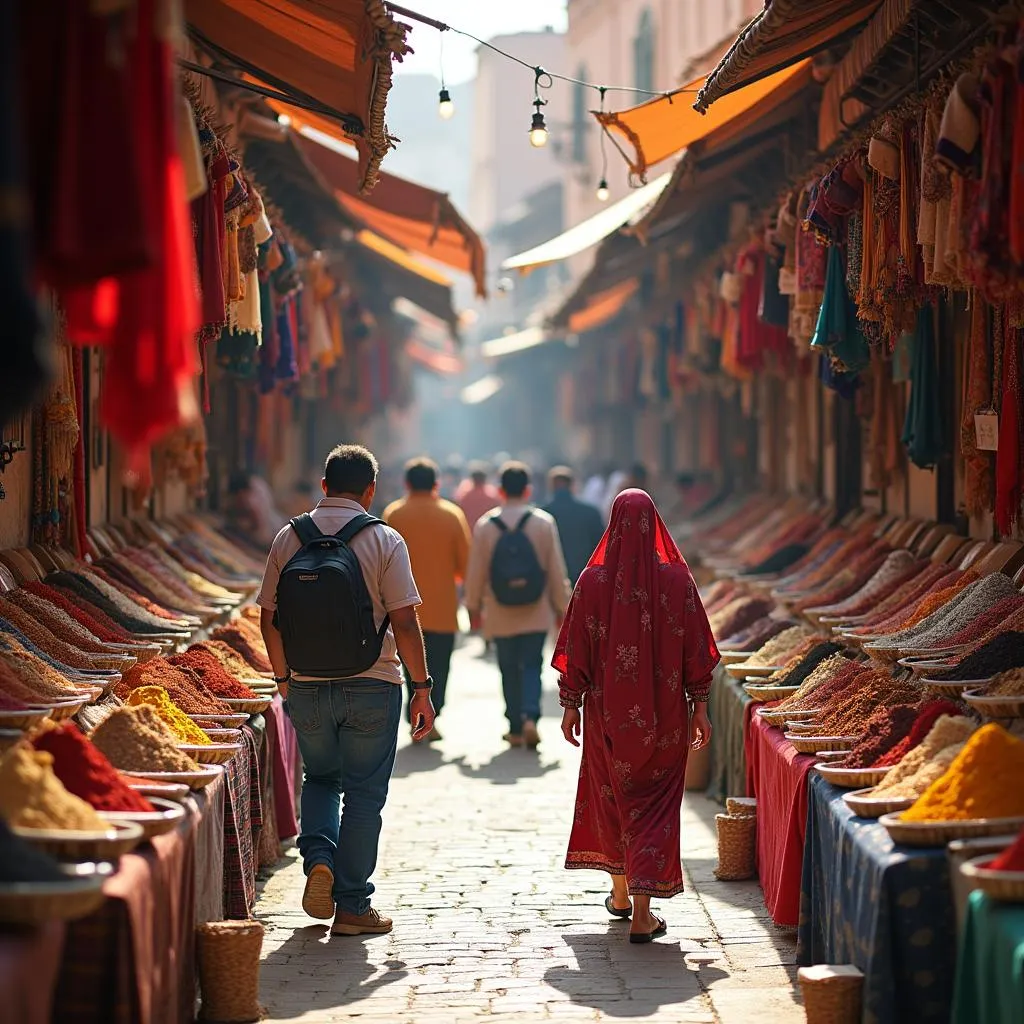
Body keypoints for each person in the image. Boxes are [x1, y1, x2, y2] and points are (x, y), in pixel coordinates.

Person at [258, 444, 435, 937]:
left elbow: (267, 619)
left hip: (307, 687)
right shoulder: (385, 540)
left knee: (318, 779)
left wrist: (283, 680)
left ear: (323, 486)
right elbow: (403, 620)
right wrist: (421, 688)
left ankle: (319, 859)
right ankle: (353, 906)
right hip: (373, 685)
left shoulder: (287, 538)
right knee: (362, 796)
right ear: (371, 490)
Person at [553, 489, 719, 944]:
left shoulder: (592, 582)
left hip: (608, 717)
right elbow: (698, 653)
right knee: (656, 804)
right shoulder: (678, 581)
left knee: (613, 796)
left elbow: (576, 652)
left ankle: (621, 895)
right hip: (665, 718)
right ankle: (643, 913)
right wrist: (700, 708)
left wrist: (570, 705)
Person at [465, 461, 571, 749]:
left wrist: (473, 606)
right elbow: (555, 568)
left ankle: (513, 727)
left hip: (500, 611)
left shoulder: (487, 525)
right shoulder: (543, 522)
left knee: (508, 667)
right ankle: (531, 718)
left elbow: (477, 570)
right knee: (533, 665)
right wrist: (563, 606)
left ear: (500, 490)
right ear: (528, 489)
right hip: (536, 610)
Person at [384, 457, 471, 742]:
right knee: (440, 664)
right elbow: (463, 565)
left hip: (400, 607)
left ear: (406, 484)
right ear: (436, 484)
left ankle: (415, 717)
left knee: (409, 664)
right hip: (443, 607)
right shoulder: (451, 514)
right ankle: (434, 715)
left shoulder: (394, 514)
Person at [542, 466, 606, 585]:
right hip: (585, 579)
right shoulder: (591, 512)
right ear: (572, 485)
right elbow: (602, 548)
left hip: (554, 580)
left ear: (551, 486)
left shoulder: (543, 514)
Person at [455, 461, 502, 531]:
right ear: (485, 479)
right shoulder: (492, 496)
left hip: (469, 533)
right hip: (487, 532)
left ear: (472, 480)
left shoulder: (464, 497)